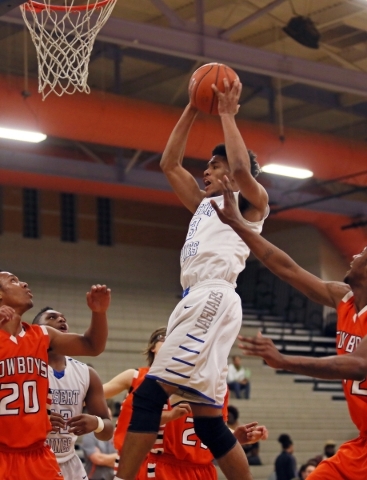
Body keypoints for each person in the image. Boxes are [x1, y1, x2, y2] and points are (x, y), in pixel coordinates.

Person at [115, 77, 269, 480]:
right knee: (208, 420)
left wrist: (226, 115)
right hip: (197, 298)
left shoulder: (253, 202)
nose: (207, 169)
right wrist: (191, 107)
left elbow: (239, 166)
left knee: (148, 395)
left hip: (213, 295)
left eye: (213, 165)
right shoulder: (203, 204)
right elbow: (169, 163)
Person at [210, 175, 367, 480]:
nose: (353, 255)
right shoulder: (343, 298)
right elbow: (287, 268)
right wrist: (239, 225)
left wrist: (283, 361)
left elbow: (358, 365)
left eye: (362, 254)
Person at [0, 271, 110, 480]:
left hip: (39, 455)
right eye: (13, 281)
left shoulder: (41, 335)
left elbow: (92, 345)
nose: (23, 283)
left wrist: (99, 312)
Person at [32, 306, 114, 480]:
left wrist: (97, 423)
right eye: (52, 317)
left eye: (63, 317)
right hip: (32, 460)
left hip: (70, 463)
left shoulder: (87, 373)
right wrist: (36, 422)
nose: (62, 320)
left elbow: (107, 430)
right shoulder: (26, 368)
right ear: (40, 330)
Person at [82, 409, 118, 480]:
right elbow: (98, 459)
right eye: (103, 417)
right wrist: (116, 458)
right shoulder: (89, 436)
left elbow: (123, 461)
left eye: (108, 417)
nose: (106, 420)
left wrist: (106, 459)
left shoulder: (117, 436)